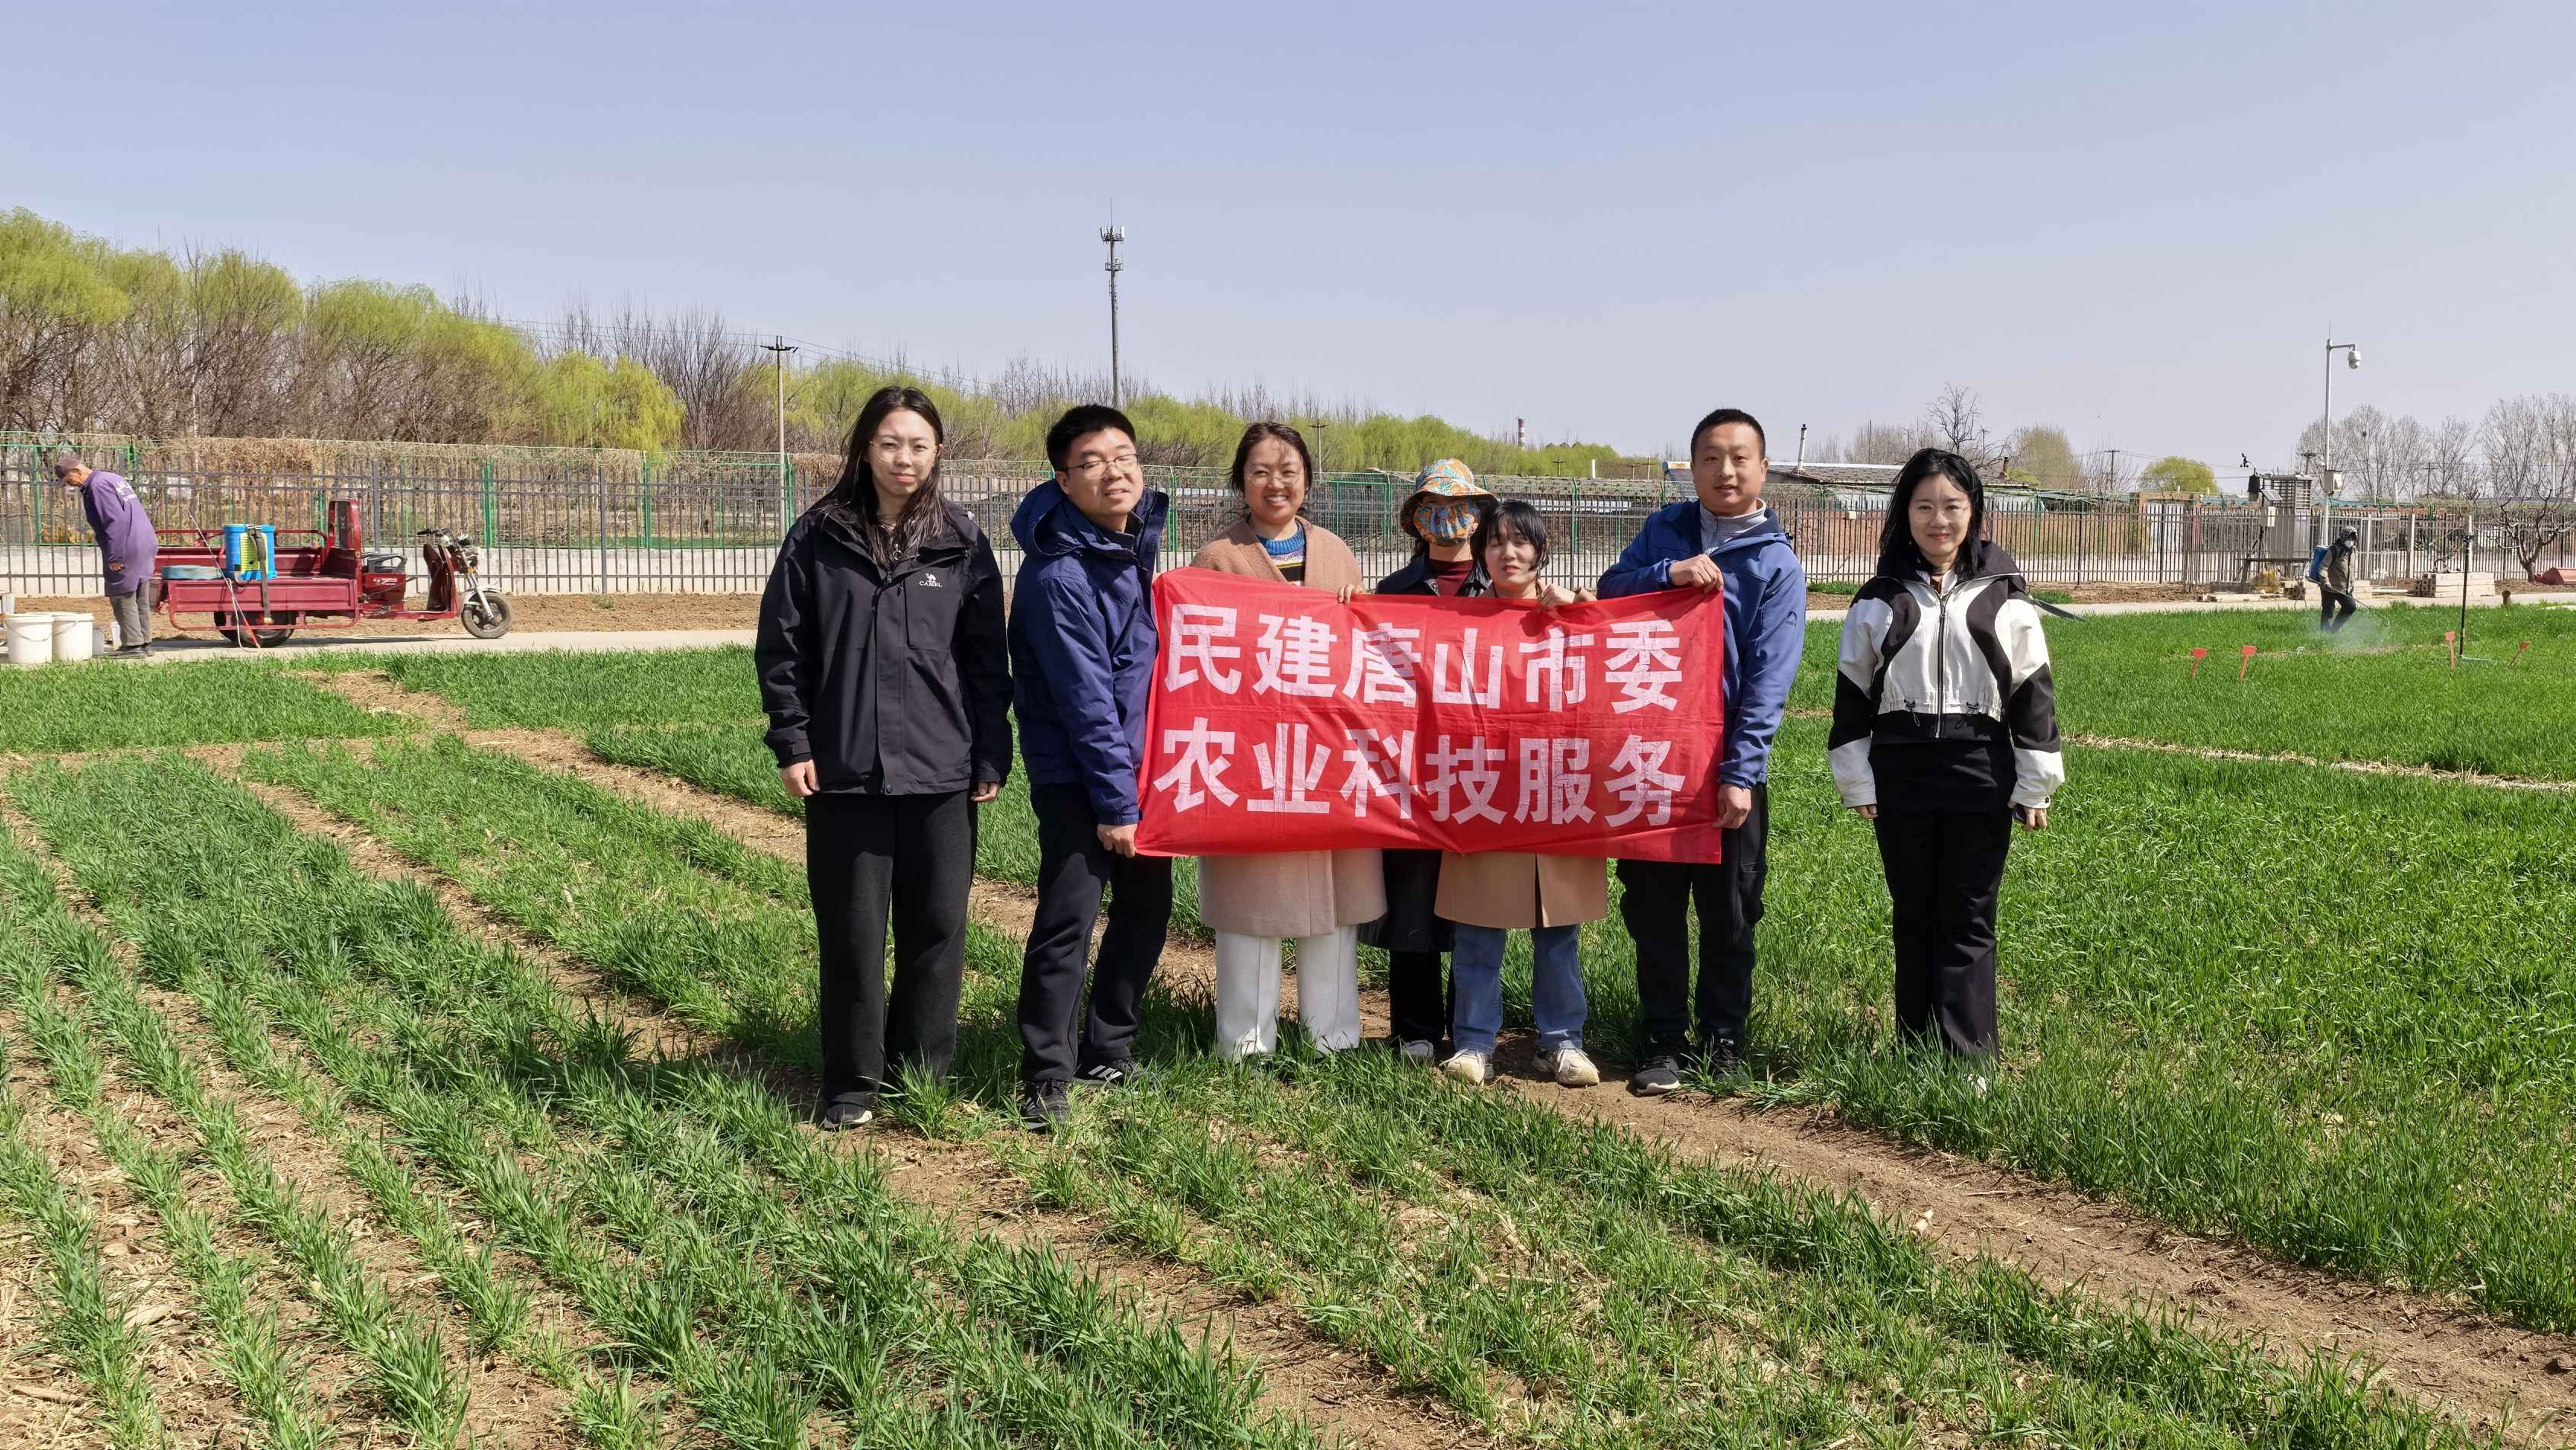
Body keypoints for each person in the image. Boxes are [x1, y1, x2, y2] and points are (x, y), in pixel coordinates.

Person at [755, 387, 1010, 1130]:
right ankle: (851, 1082)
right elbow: (784, 647)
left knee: (936, 923)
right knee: (855, 930)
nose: (905, 458)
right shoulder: (818, 537)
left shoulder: (960, 540)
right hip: (846, 770)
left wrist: (992, 749)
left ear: (937, 454)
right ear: (865, 447)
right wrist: (794, 740)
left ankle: (919, 1072)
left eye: (920, 445)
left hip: (941, 767)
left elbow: (986, 662)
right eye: (891, 442)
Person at [1597, 407, 1807, 1094]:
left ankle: (1723, 1036)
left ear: (1763, 469)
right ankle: (1661, 1039)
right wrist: (1668, 571)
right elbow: (1608, 594)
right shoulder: (1665, 531)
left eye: (1740, 458)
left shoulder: (1776, 563)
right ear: (1692, 466)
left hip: (1725, 767)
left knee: (1732, 909)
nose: (1726, 471)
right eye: (1711, 458)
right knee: (1654, 909)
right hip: (1651, 760)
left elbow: (1770, 679)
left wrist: (1741, 772)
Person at [1828, 448, 2062, 1058]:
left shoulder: (2003, 591)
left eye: (1952, 507)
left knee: (1969, 916)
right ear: (1904, 513)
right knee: (1914, 913)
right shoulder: (1879, 596)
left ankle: (1971, 1057)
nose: (1939, 521)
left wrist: (2034, 782)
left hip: (1980, 768)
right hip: (1901, 770)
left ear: (1974, 510)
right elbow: (1853, 691)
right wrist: (1858, 780)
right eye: (1925, 506)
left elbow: (2032, 688)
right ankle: (1915, 1048)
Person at [1188, 423, 1384, 1062]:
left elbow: (1366, 652)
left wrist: (1364, 608)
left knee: (1337, 908)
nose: (1276, 483)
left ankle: (1334, 1039)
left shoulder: (1336, 552)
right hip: (1254, 763)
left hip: (1329, 758)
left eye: (1289, 470)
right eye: (1261, 471)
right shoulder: (1218, 557)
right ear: (1241, 482)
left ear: (1308, 480)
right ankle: (1245, 1045)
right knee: (1252, 906)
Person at [1010, 404, 1174, 1131]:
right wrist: (1115, 804)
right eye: (1094, 461)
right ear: (1063, 479)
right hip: (1083, 779)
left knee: (1146, 909)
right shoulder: (1059, 576)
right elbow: (1086, 701)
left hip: (1136, 774)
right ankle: (1046, 1073)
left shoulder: (1130, 550)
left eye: (1125, 457)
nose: (1115, 471)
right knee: (1068, 919)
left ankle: (1109, 1047)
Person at [1436, 500, 1604, 1088]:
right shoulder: (1457, 622)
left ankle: (1560, 1042)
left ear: (1541, 552)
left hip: (1553, 791)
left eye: (1521, 541)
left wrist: (1586, 613)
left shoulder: (1571, 615)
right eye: (1497, 541)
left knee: (1557, 932)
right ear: (1481, 553)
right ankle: (1475, 1043)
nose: (1509, 551)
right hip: (1482, 791)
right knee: (1478, 930)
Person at [1361, 458, 1494, 1062]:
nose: (1450, 518)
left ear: (1479, 514)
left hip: (1481, 764)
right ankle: (1414, 1028)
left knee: (1472, 898)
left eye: (1462, 504)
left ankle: (1471, 1031)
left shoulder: (1498, 591)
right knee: (1412, 893)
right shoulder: (1391, 592)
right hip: (1411, 767)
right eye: (1434, 508)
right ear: (1416, 520)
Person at [56, 454, 158, 656]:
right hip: (144, 541)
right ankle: (145, 642)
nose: (70, 485)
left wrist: (114, 556)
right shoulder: (112, 478)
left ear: (77, 470)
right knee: (140, 594)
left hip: (125, 544)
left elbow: (114, 522)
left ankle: (133, 645)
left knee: (121, 594)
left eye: (69, 479)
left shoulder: (97, 486)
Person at [2318, 525, 2360, 632]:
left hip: (2345, 589)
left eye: (2353, 539)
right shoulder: (2334, 550)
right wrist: (2325, 581)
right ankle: (2324, 633)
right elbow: (2323, 566)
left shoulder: (2353, 551)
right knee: (2328, 611)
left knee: (2350, 607)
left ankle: (2335, 629)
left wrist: (2351, 584)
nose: (2351, 541)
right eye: (2349, 538)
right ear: (2344, 537)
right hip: (2330, 587)